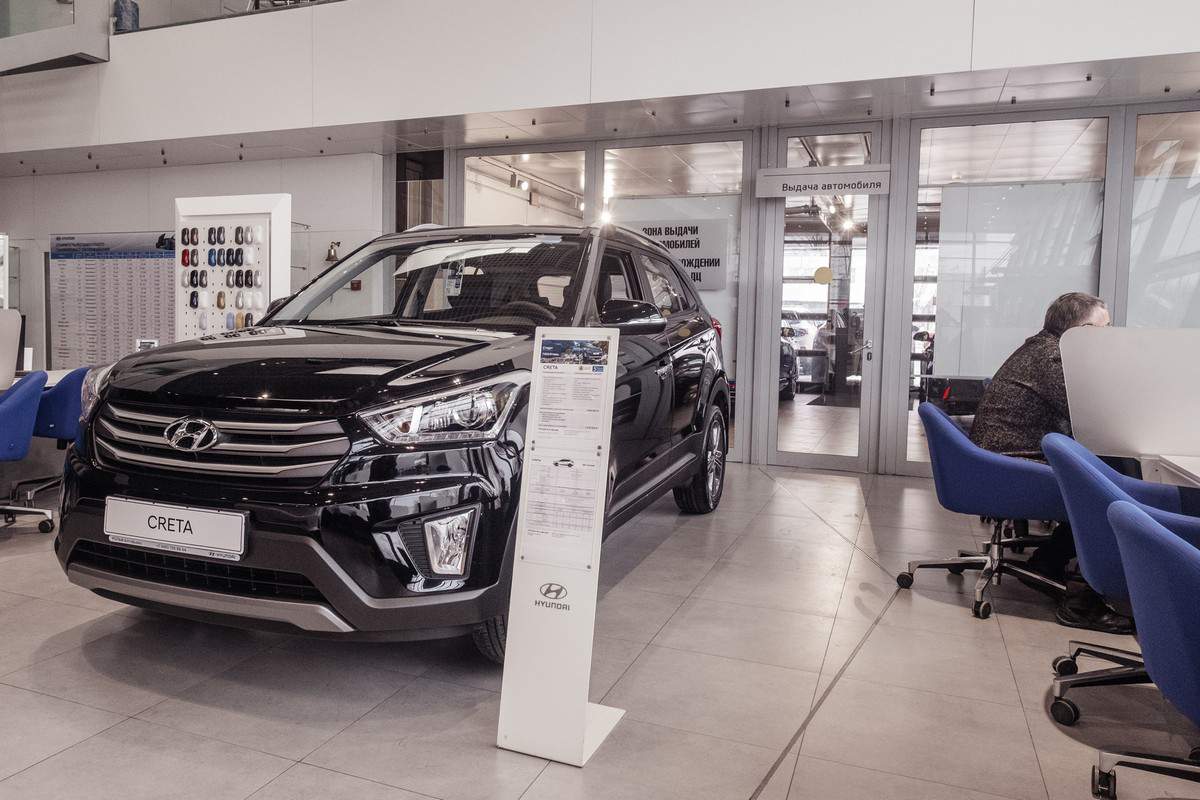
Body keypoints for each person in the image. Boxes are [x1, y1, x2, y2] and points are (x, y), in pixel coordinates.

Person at [968, 292, 1132, 634]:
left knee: (1109, 474)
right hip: (1006, 467)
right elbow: (1095, 416)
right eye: (1104, 328)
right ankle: (1081, 602)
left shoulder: (1045, 349)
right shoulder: (1053, 359)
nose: (1109, 335)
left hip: (999, 460)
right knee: (1106, 491)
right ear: (1081, 330)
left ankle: (1049, 561)